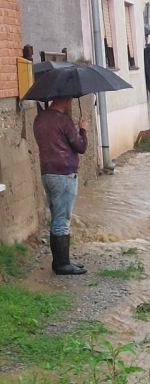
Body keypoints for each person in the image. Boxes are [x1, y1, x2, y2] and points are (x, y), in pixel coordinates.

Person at [34, 95, 88, 275]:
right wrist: (83, 130)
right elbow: (80, 147)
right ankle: (63, 264)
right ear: (66, 101)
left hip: (47, 173)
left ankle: (59, 262)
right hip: (64, 174)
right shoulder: (63, 121)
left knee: (56, 217)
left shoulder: (39, 118)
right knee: (62, 220)